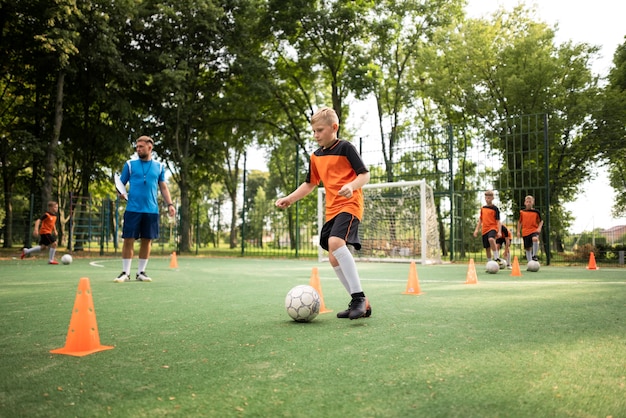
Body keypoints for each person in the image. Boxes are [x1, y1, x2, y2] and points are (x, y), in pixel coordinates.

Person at [275, 107, 371, 320]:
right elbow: (310, 184)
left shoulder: (346, 148)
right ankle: (362, 303)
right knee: (333, 258)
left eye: (320, 130)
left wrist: (352, 185)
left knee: (336, 243)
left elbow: (365, 175)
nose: (316, 135)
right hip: (332, 210)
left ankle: (359, 299)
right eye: (314, 131)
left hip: (350, 204)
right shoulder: (315, 156)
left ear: (333, 128)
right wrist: (289, 198)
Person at [114, 135, 176, 283]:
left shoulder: (159, 166)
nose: (138, 149)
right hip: (133, 208)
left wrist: (170, 204)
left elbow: (163, 187)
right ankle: (125, 273)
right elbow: (120, 184)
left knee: (147, 240)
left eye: (141, 146)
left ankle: (141, 272)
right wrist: (120, 193)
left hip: (151, 210)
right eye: (137, 147)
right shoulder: (129, 164)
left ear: (150, 147)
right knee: (128, 239)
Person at [473, 190, 502, 263]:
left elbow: (498, 221)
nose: (487, 199)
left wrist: (499, 231)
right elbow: (480, 220)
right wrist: (476, 230)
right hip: (484, 230)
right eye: (486, 198)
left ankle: (496, 257)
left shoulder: (495, 209)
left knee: (491, 239)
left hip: (492, 228)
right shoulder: (483, 208)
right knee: (487, 248)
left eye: (489, 198)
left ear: (492, 198)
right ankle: (489, 262)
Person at [517, 195, 543, 262]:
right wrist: (518, 232)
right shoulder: (522, 212)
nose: (528, 203)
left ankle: (534, 255)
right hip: (525, 231)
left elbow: (541, 221)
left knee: (535, 239)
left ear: (533, 203)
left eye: (530, 202)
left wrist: (539, 228)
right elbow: (519, 222)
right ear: (525, 203)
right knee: (527, 248)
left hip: (534, 230)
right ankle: (530, 262)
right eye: (527, 202)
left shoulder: (536, 212)